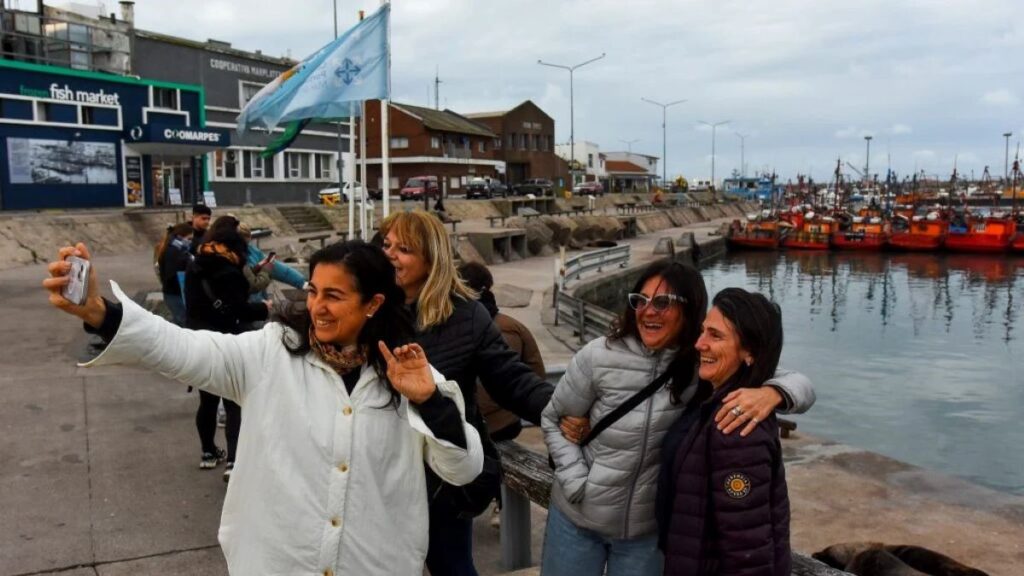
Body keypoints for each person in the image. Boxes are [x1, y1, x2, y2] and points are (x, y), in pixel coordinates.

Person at [43, 240, 483, 576]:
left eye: (335, 296)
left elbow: (463, 468)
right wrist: (103, 312)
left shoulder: (409, 374)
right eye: (313, 291)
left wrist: (429, 402)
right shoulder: (271, 353)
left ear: (373, 304)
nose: (318, 308)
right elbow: (180, 347)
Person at [541, 260, 813, 576]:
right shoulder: (598, 356)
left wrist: (773, 393)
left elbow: (795, 381)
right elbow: (553, 419)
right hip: (577, 521)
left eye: (662, 302)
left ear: (689, 308)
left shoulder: (699, 363)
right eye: (640, 301)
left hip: (645, 534)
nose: (648, 311)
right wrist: (577, 483)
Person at [378, 210, 553, 576]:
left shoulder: (467, 317)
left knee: (452, 566)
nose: (390, 254)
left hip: (443, 479)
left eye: (404, 248)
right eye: (386, 244)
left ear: (431, 259)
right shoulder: (370, 312)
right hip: (381, 473)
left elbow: (512, 380)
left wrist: (566, 412)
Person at [661, 288, 791, 575]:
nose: (699, 344)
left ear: (750, 352)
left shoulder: (737, 430)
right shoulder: (714, 402)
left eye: (715, 335)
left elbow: (748, 551)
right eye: (702, 331)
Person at [184, 215, 270, 477]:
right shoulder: (228, 270)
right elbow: (238, 309)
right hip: (227, 342)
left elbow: (196, 304)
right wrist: (264, 309)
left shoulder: (196, 263)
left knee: (207, 401)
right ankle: (234, 461)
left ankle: (208, 452)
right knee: (233, 402)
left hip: (199, 340)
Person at [457, 261, 545, 442]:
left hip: (484, 426)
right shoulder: (504, 325)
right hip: (499, 423)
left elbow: (497, 388)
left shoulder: (499, 330)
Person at [155, 223, 193, 326]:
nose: (190, 242)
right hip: (175, 294)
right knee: (182, 323)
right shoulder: (173, 251)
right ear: (180, 236)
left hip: (173, 293)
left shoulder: (176, 249)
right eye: (189, 239)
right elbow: (171, 275)